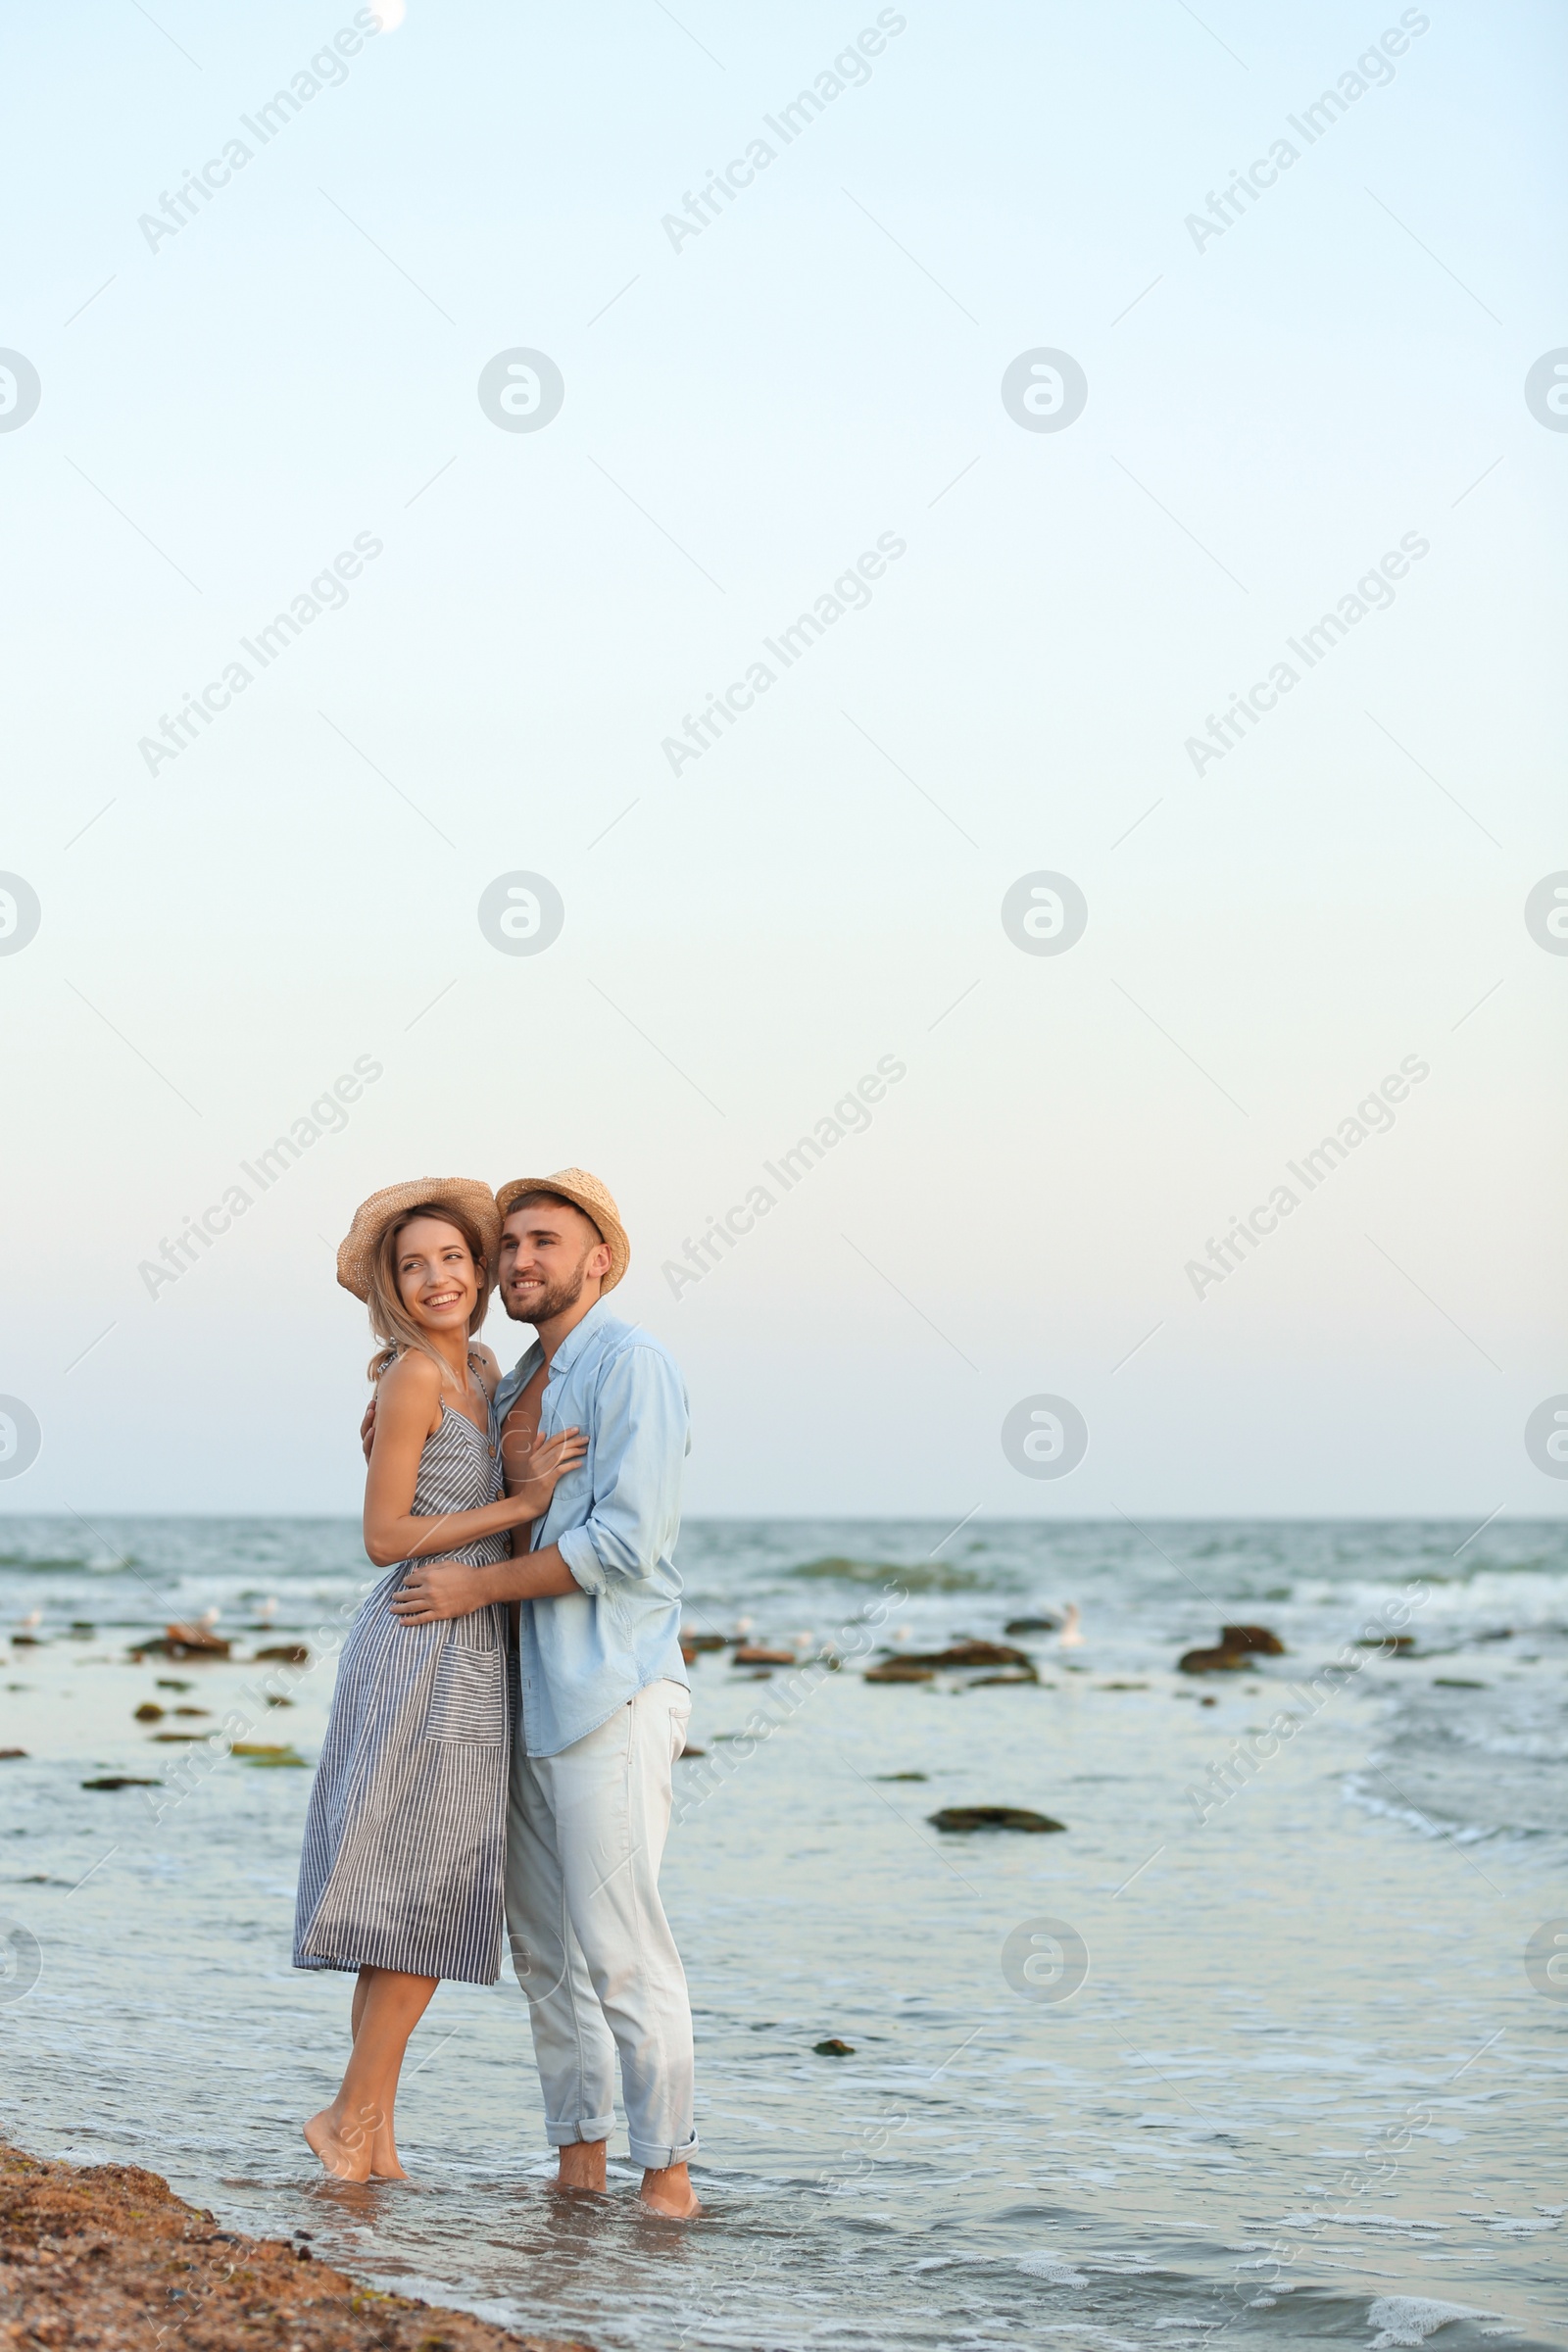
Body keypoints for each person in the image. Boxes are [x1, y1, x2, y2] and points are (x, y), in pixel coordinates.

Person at [388, 1169, 700, 2218]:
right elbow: (485, 1504)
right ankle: (577, 2174)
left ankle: (667, 2185)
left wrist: (472, 1585)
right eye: (510, 1244)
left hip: (610, 1691)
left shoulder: (633, 1365)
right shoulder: (515, 1380)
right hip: (520, 1701)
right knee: (545, 1960)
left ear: (598, 1258)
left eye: (545, 1243)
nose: (521, 1262)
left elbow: (622, 1542)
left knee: (620, 1952)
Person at [295, 1178, 585, 2183]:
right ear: (393, 1285)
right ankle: (351, 2117)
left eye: (452, 1258)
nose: (437, 1279)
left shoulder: (485, 1369)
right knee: (421, 1891)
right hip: (422, 1640)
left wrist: (531, 1482)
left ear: (478, 1266)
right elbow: (383, 1538)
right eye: (412, 1266)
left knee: (413, 1893)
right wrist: (522, 1506)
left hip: (471, 1643)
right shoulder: (415, 1378)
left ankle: (368, 2129)